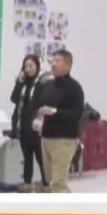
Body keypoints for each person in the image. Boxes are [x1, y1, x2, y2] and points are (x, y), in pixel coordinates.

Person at [32, 50, 85, 193]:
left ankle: (62, 206)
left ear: (68, 65)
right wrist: (37, 83)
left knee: (58, 183)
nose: (53, 64)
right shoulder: (47, 85)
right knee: (50, 180)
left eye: (58, 61)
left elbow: (76, 114)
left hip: (64, 139)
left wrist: (55, 112)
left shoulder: (75, 88)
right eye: (52, 61)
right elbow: (36, 103)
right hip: (46, 137)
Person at [10, 54, 47, 192]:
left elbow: (42, 101)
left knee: (41, 157)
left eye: (31, 65)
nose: (28, 68)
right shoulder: (23, 82)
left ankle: (46, 183)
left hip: (36, 126)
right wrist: (19, 82)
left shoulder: (42, 82)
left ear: (37, 66)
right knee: (27, 156)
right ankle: (27, 183)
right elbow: (14, 99)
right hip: (23, 125)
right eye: (26, 66)